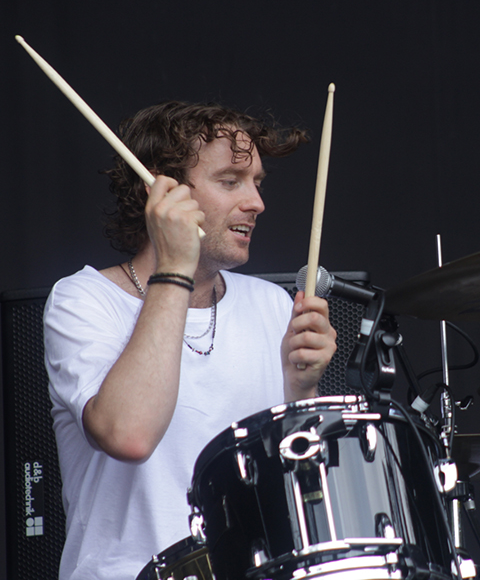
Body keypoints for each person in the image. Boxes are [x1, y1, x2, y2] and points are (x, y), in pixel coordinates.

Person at [43, 101, 338, 580]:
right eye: (231, 181)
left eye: (257, 183)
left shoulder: (272, 305)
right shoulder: (82, 300)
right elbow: (129, 435)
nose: (256, 203)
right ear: (163, 193)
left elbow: (300, 489)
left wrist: (301, 389)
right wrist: (175, 265)